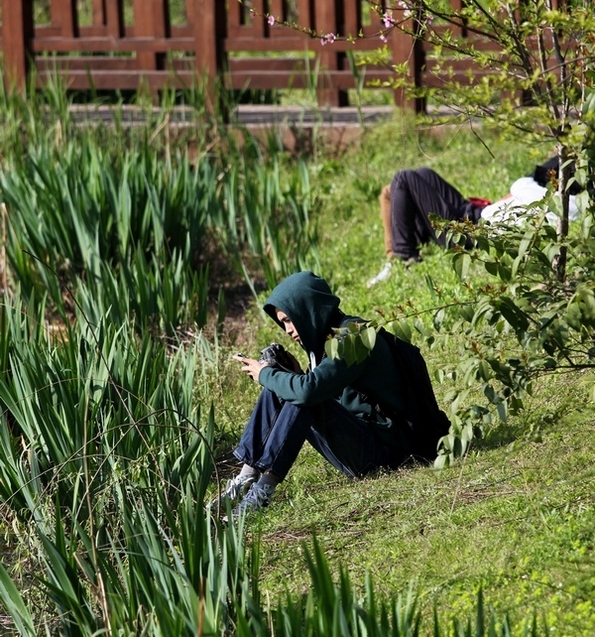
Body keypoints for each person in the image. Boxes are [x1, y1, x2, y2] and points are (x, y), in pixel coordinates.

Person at [207, 271, 448, 518]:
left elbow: (310, 392)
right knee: (285, 386)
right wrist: (292, 375)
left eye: (290, 320)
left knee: (303, 396)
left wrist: (266, 374)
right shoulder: (327, 340)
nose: (288, 330)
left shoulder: (353, 338)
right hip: (367, 442)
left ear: (308, 308)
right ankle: (246, 478)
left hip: (390, 455)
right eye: (283, 324)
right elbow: (333, 392)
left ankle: (261, 493)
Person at [367, 158, 580, 287]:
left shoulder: (567, 204)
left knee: (403, 178)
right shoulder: (548, 196)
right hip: (475, 213)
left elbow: (520, 185)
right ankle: (397, 250)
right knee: (423, 174)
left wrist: (539, 178)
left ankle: (402, 257)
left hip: (470, 232)